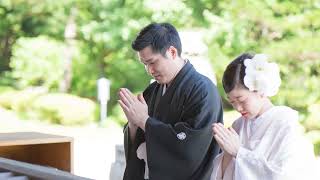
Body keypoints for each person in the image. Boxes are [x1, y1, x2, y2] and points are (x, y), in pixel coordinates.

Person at [118, 22, 223, 180]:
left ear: (172, 52)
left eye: (152, 62)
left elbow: (189, 149)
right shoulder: (153, 90)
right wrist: (134, 124)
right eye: (145, 64)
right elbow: (139, 139)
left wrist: (144, 121)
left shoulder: (203, 91)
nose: (149, 70)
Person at [210, 53, 319, 180]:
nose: (238, 108)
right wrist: (227, 153)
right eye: (232, 102)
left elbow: (284, 174)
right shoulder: (238, 125)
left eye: (241, 99)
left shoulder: (285, 122)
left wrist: (239, 152)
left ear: (260, 90)